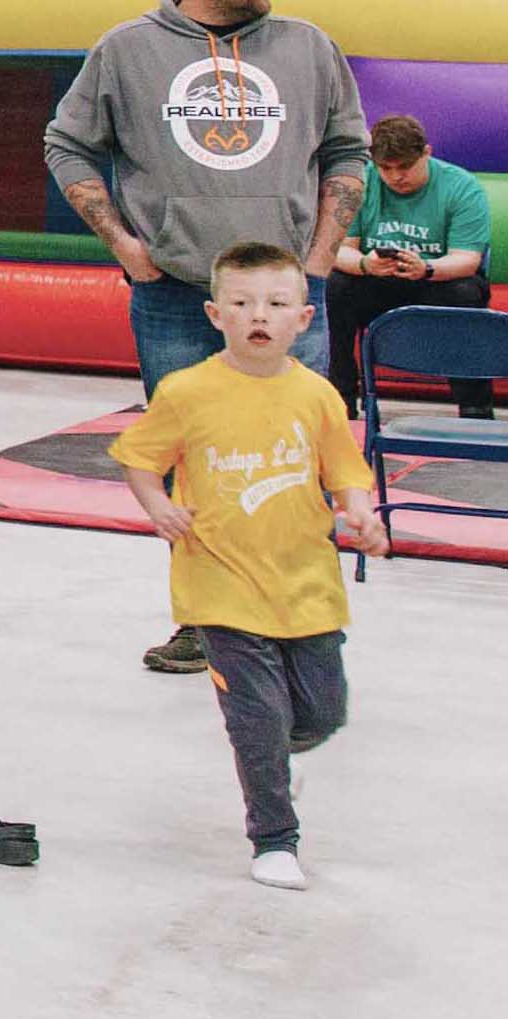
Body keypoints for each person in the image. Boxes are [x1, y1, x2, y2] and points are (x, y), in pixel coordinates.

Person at [44, 0, 369, 675]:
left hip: (290, 297)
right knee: (195, 463)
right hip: (177, 293)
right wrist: (123, 244)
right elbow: (66, 144)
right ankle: (205, 621)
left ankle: (301, 623)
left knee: (300, 459)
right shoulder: (126, 51)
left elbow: (347, 150)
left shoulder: (307, 46)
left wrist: (320, 259)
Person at [109, 241, 390, 891]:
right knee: (259, 720)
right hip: (220, 584)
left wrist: (359, 514)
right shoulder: (186, 391)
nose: (256, 314)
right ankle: (273, 837)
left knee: (322, 713)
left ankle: (262, 746)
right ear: (214, 314)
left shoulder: (317, 397)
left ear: (303, 317)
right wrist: (157, 507)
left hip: (305, 583)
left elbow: (344, 472)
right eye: (239, 303)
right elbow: (138, 457)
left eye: (273, 302)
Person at [328, 113, 494, 417]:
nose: (395, 177)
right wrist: (366, 264)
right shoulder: (359, 184)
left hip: (436, 281)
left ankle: (475, 407)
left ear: (426, 153)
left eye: (405, 166)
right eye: (386, 168)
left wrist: (427, 269)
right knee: (336, 287)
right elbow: (338, 250)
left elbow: (468, 259)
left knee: (467, 293)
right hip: (378, 279)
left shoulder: (462, 187)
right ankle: (341, 401)